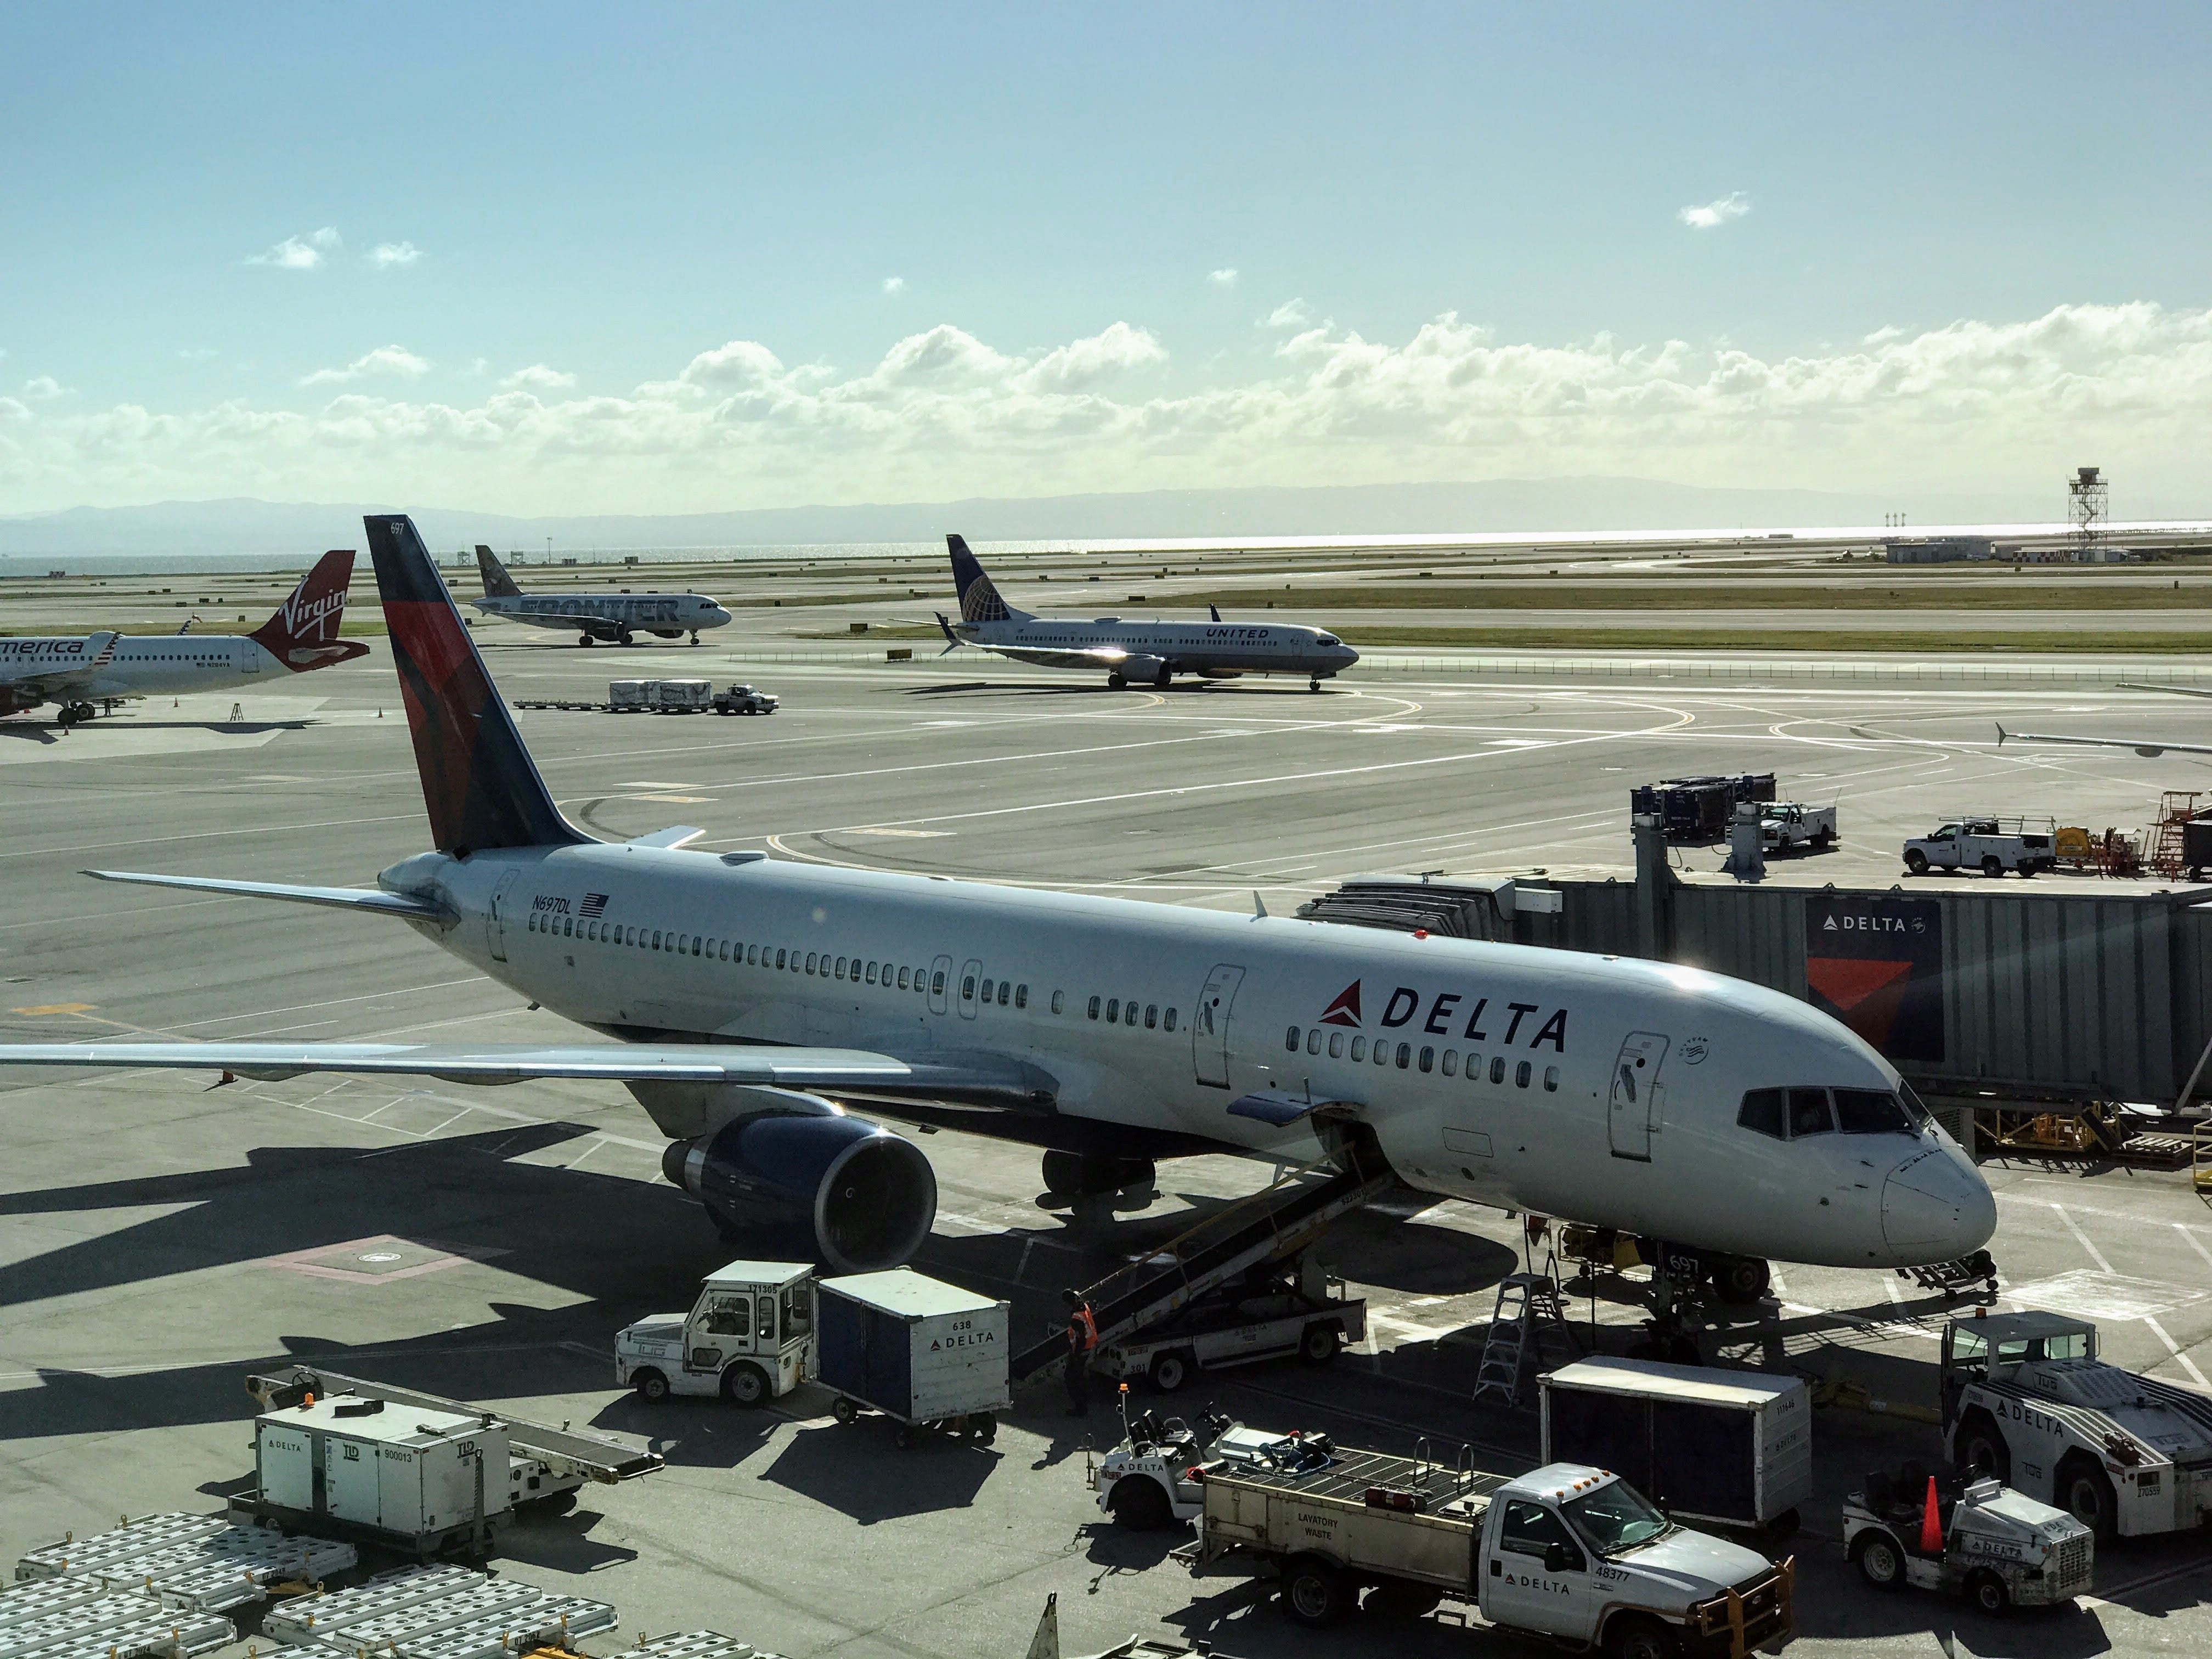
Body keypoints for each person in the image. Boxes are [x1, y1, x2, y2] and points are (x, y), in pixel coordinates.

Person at [1062, 1289, 1099, 1417]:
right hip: (1091, 1345)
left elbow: (1081, 1339)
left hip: (1083, 1351)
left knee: (1072, 1378)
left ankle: (1080, 1407)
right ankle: (1083, 1402)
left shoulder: (1076, 1319)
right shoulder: (1085, 1308)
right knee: (1079, 1377)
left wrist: (1075, 1356)